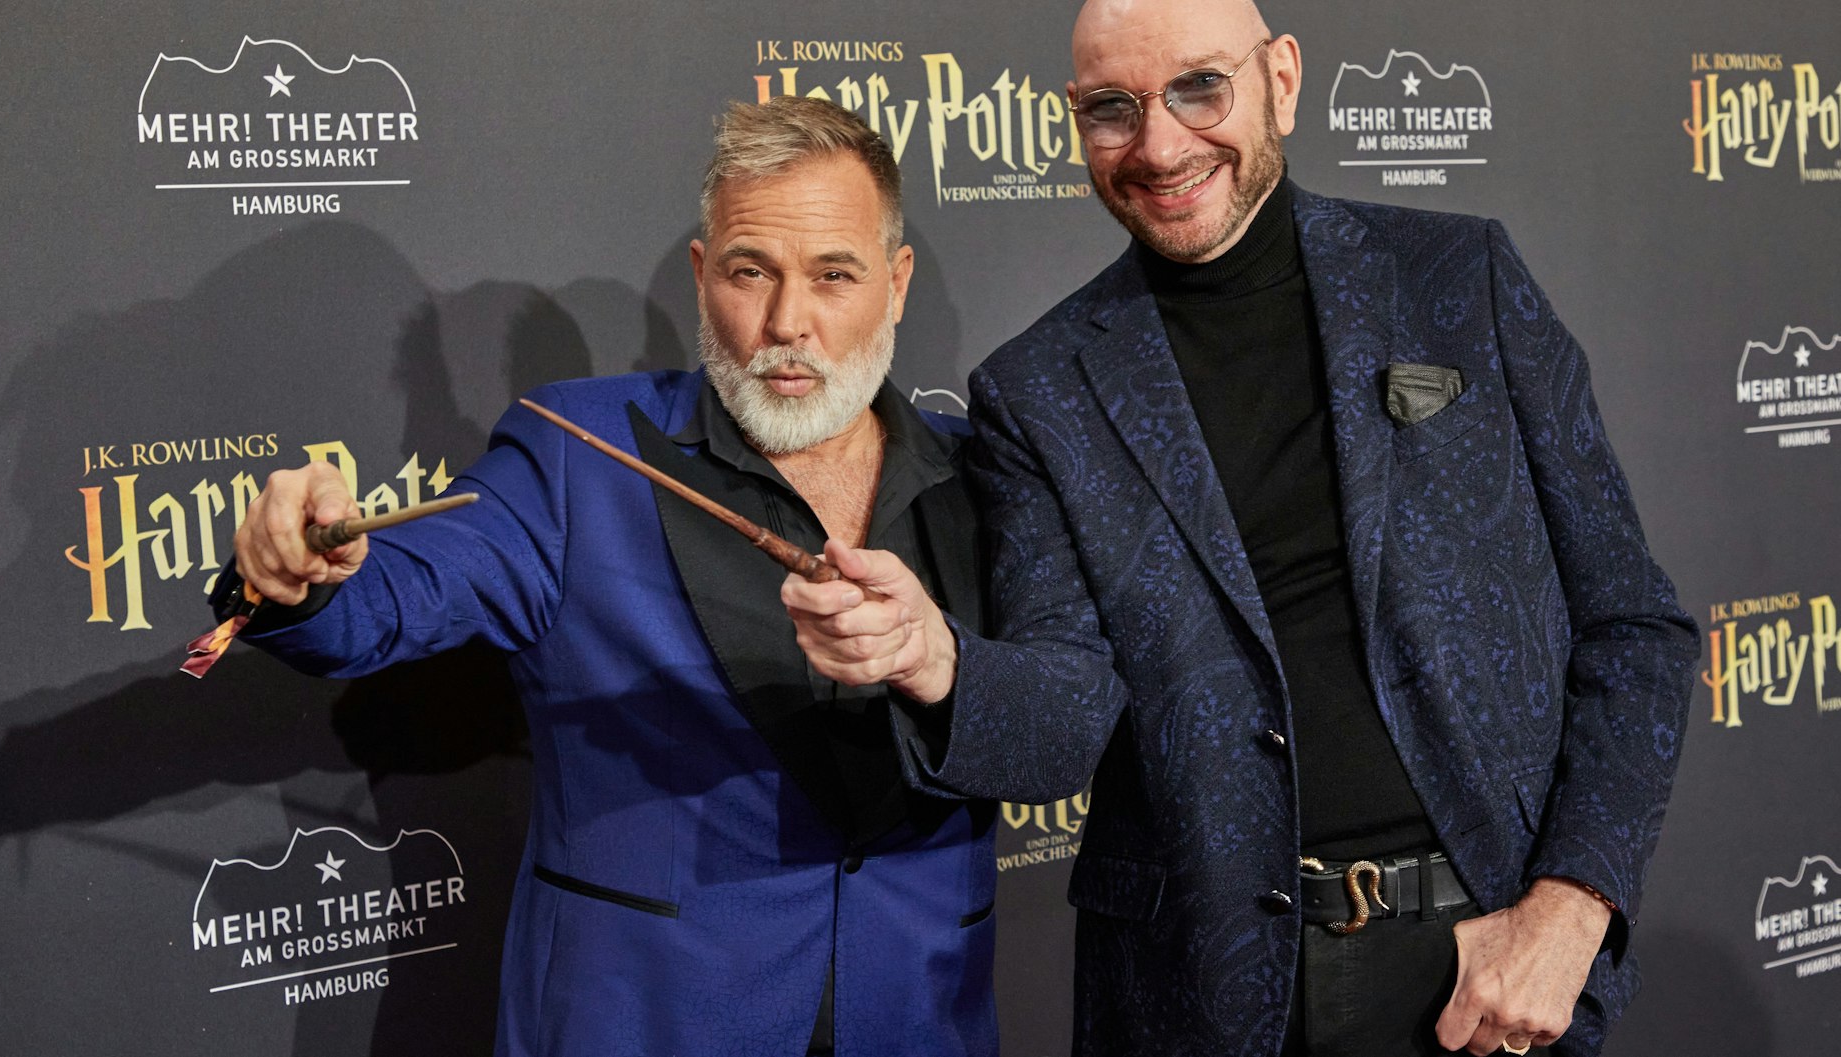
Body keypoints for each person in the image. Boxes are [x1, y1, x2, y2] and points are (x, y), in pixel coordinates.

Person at [782, 1, 1699, 1055]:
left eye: (1198, 88)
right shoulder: (1037, 389)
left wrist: (1570, 908)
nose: (1159, 144)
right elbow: (1064, 715)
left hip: (1490, 974)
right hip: (1202, 999)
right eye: (1111, 108)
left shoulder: (1458, 281)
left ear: (1282, 80)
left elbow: (1632, 628)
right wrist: (935, 659)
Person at [217, 96, 997, 1057]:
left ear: (897, 282)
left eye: (834, 275)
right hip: (645, 1023)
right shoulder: (578, 454)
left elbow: (1059, 704)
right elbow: (396, 592)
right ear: (706, 276)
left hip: (917, 1020)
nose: (788, 322)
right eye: (753, 271)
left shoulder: (984, 474)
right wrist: (303, 571)